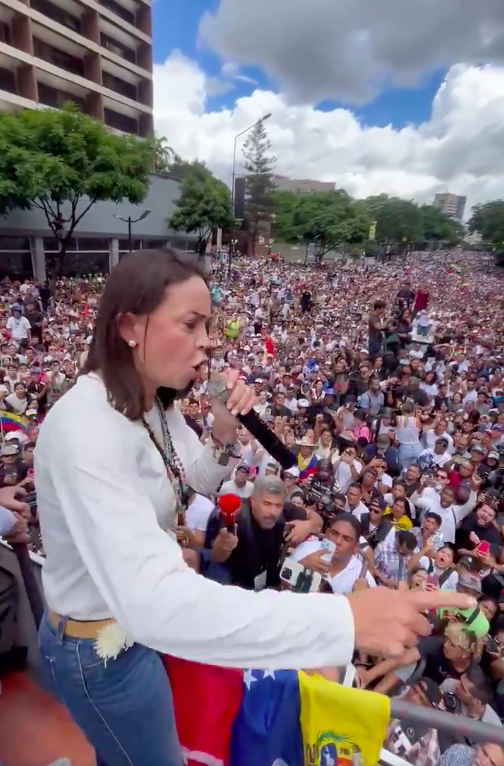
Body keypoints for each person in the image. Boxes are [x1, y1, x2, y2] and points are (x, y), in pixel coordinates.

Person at [34, 249, 473, 766]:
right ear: (130, 325)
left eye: (210, 325)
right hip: (99, 652)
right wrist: (343, 619)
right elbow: (154, 603)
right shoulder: (85, 429)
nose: (208, 343)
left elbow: (193, 478)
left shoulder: (149, 400)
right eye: (191, 324)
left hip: (131, 632)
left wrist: (222, 428)